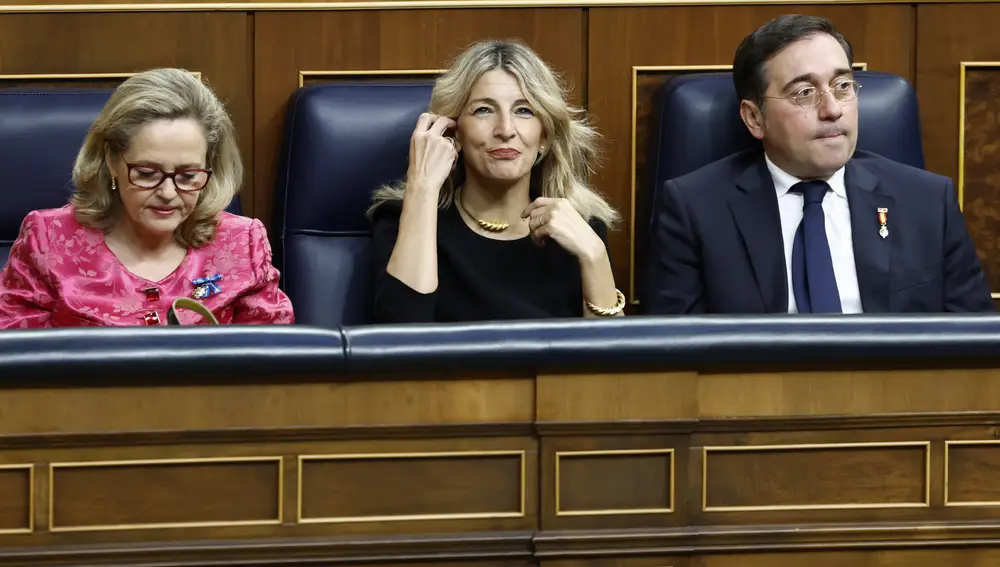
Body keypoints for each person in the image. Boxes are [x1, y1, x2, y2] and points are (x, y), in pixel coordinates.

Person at [642, 14, 994, 314]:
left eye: (842, 86)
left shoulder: (928, 202)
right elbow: (676, 359)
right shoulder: (695, 210)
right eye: (804, 93)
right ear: (754, 118)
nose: (833, 109)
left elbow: (975, 348)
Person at [0, 68, 295, 327]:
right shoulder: (48, 239)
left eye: (188, 176)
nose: (168, 193)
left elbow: (276, 362)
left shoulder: (241, 243)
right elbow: (16, 363)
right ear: (111, 159)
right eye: (147, 173)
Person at [369, 39, 624, 323]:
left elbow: (611, 363)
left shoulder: (579, 229)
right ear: (454, 131)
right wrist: (422, 187)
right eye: (483, 110)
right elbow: (401, 342)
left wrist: (594, 255)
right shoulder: (404, 219)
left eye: (524, 110)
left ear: (545, 136)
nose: (505, 130)